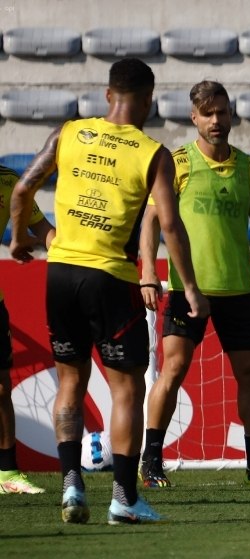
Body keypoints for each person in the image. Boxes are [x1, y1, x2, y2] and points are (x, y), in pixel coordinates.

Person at [9, 58, 209, 524]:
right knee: (125, 389)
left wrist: (22, 238)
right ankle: (123, 498)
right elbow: (171, 224)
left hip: (60, 275)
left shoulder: (69, 134)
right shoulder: (152, 153)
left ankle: (71, 485)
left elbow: (21, 190)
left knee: (70, 383)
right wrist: (192, 289)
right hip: (111, 279)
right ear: (149, 99)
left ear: (107, 95)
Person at [138, 80, 250, 489]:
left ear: (232, 114)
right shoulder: (176, 163)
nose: (217, 120)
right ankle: (151, 460)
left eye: (223, 111)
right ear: (193, 117)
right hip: (186, 289)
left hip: (239, 290)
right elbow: (150, 221)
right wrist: (148, 270)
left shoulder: (247, 166)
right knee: (173, 369)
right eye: (208, 113)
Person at [0, 165, 53, 495]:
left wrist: (73, 246)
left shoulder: (8, 181)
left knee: (2, 386)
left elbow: (45, 230)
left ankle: (7, 473)